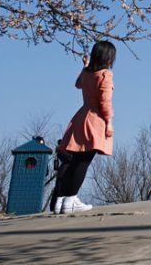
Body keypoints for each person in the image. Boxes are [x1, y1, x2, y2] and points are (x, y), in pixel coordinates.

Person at [52, 41, 116, 214]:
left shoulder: (87, 73)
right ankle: (71, 200)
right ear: (108, 57)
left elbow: (78, 84)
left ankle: (61, 201)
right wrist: (109, 122)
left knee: (73, 161)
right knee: (83, 162)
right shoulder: (105, 75)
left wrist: (85, 66)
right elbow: (105, 101)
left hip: (81, 116)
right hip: (95, 120)